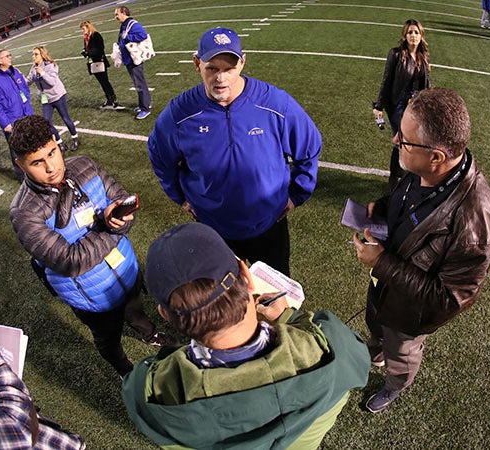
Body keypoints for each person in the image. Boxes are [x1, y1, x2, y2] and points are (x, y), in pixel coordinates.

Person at [123, 222, 370, 449]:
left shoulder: (152, 392)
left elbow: (138, 389)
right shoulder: (330, 345)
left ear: (164, 314)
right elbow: (360, 361)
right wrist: (291, 318)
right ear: (246, 275)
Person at [352, 87, 490, 413]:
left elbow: (448, 299)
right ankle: (376, 348)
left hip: (410, 313)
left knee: (401, 353)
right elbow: (407, 198)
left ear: (437, 157)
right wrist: (384, 207)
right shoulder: (426, 168)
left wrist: (382, 263)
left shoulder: (474, 223)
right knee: (377, 322)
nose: (395, 142)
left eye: (404, 139)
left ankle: (394, 385)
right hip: (387, 287)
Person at [8, 115, 174, 377]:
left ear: (56, 142)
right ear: (21, 165)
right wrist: (111, 227)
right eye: (37, 162)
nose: (51, 167)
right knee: (108, 339)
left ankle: (149, 333)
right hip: (90, 297)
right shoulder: (24, 213)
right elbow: (72, 262)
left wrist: (120, 217)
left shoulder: (85, 165)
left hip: (126, 270)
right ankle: (123, 370)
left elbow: (122, 201)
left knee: (135, 308)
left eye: (52, 153)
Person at [148, 27, 322, 277]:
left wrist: (297, 195)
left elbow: (309, 146)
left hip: (269, 224)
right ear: (197, 64)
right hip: (214, 228)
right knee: (225, 299)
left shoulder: (275, 103)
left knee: (277, 296)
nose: (221, 78)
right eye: (212, 68)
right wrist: (180, 197)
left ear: (243, 62)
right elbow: (159, 156)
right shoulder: (180, 114)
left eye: (229, 68)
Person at [373, 19, 431, 190]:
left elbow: (427, 84)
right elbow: (387, 80)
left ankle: (400, 175)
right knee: (403, 140)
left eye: (416, 32)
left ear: (421, 36)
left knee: (410, 141)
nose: (413, 35)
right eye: (410, 32)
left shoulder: (423, 56)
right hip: (396, 104)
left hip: (414, 105)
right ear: (405, 35)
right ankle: (396, 179)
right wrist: (379, 106)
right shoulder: (396, 54)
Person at [0, 48, 33, 180]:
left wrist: (27, 105)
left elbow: (25, 89)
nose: (10, 58)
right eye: (7, 56)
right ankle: (22, 177)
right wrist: (5, 123)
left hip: (26, 114)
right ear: (0, 60)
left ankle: (33, 170)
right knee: (16, 151)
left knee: (30, 143)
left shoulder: (16, 72)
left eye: (10, 55)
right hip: (12, 121)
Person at [26, 46, 80, 152]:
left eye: (36, 54)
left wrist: (42, 73)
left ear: (42, 55)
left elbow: (51, 82)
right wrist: (17, 76)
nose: (33, 57)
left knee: (66, 118)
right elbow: (27, 82)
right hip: (46, 100)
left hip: (58, 96)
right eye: (33, 54)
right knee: (47, 123)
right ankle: (60, 143)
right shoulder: (33, 69)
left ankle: (75, 138)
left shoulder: (51, 65)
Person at [114, 5, 152, 119]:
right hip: (129, 59)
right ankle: (142, 104)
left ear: (124, 13)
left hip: (134, 59)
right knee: (137, 84)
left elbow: (143, 35)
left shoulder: (133, 24)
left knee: (140, 84)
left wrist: (128, 37)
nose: (115, 17)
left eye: (117, 14)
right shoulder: (124, 25)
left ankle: (146, 108)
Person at [80, 20, 124, 110]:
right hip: (93, 63)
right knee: (102, 82)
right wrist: (85, 51)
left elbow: (100, 49)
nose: (82, 30)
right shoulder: (86, 37)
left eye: (83, 28)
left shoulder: (96, 35)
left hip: (100, 61)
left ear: (88, 27)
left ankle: (114, 100)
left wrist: (88, 53)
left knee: (105, 81)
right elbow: (88, 48)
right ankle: (108, 99)